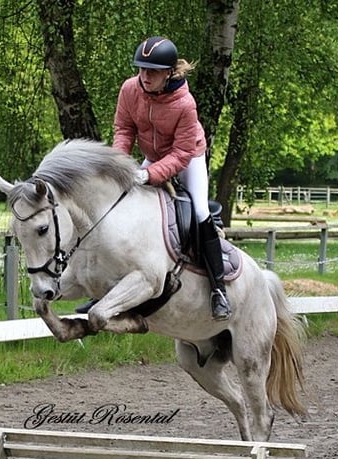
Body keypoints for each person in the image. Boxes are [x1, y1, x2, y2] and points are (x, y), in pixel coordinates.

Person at [77, 36, 230, 320]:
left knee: (198, 211)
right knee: (118, 204)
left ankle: (218, 289)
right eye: (141, 69)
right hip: (155, 156)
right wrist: (117, 166)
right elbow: (123, 130)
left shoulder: (185, 104)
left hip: (188, 157)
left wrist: (149, 174)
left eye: (153, 71)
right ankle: (103, 292)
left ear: (169, 72)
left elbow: (182, 152)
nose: (145, 76)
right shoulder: (129, 89)